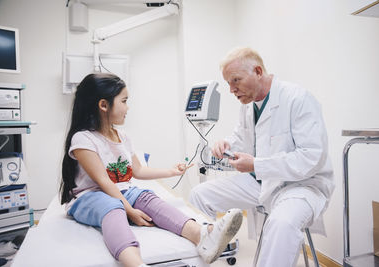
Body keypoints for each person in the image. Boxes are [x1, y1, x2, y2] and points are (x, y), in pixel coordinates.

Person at [59, 73, 243, 267]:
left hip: (120, 192)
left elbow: (137, 171)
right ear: (103, 105)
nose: (128, 107)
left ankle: (203, 235)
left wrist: (171, 171)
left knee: (147, 197)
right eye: (124, 101)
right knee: (113, 207)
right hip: (90, 196)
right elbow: (104, 182)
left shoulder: (122, 136)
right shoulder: (83, 139)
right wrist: (129, 211)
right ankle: (135, 263)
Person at [189, 47, 334, 267]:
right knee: (199, 195)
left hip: (301, 186)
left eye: (235, 80)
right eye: (228, 83)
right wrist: (225, 145)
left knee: (281, 223)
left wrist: (256, 164)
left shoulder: (297, 98)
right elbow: (242, 139)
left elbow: (312, 157)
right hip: (261, 183)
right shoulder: (248, 107)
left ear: (258, 71)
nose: (231, 90)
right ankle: (206, 254)